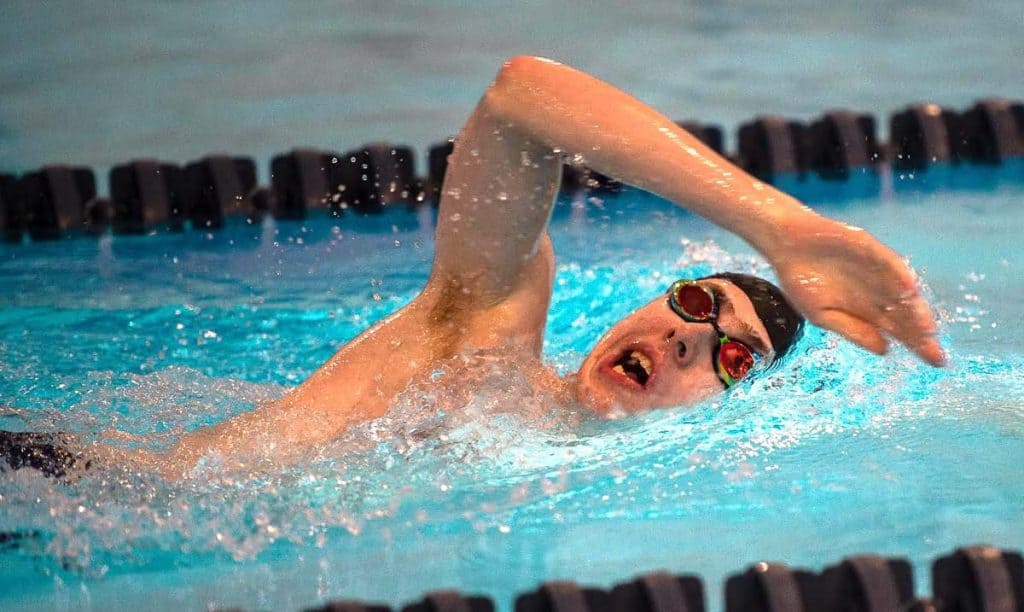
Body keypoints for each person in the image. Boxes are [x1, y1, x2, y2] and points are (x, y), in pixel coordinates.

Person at [1, 56, 943, 480]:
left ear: (728, 411)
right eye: (697, 302)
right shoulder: (485, 329)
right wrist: (775, 227)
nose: (687, 338)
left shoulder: (580, 494)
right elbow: (522, 95)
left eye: (729, 358)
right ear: (647, 301)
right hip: (65, 481)